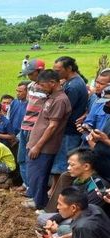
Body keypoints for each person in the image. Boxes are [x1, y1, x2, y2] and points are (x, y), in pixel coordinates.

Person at [24, 70, 72, 210]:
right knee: (33, 173)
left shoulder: (60, 100)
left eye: (43, 85)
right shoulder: (51, 96)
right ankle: (36, 199)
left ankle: (39, 203)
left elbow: (52, 126)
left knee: (39, 175)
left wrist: (38, 146)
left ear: (52, 83)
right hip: (36, 142)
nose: (40, 88)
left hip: (44, 146)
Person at [38, 148, 110, 225]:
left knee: (63, 228)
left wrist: (55, 220)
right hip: (73, 214)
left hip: (89, 221)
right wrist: (53, 220)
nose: (68, 168)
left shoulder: (98, 185)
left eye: (72, 165)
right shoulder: (78, 180)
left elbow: (86, 212)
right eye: (68, 164)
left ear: (86, 166)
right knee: (42, 218)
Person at [51, 56, 89, 196]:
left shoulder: (73, 86)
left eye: (58, 70)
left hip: (69, 132)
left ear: (69, 69)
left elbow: (64, 110)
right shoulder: (71, 82)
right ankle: (54, 193)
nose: (56, 73)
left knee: (64, 165)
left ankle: (59, 196)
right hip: (68, 130)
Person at [18, 59, 48, 192]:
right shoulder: (30, 86)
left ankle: (33, 189)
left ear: (40, 71)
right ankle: (27, 184)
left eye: (31, 73)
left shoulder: (48, 88)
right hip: (25, 126)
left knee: (32, 160)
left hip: (35, 128)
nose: (29, 76)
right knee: (22, 158)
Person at [77, 70, 110, 135]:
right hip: (88, 140)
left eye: (101, 84)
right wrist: (86, 127)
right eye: (97, 82)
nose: (97, 86)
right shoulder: (96, 99)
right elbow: (90, 121)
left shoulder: (106, 103)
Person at [88, 86, 110, 181]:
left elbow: (106, 140)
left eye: (109, 102)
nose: (106, 104)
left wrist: (105, 140)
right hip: (100, 165)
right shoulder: (109, 116)